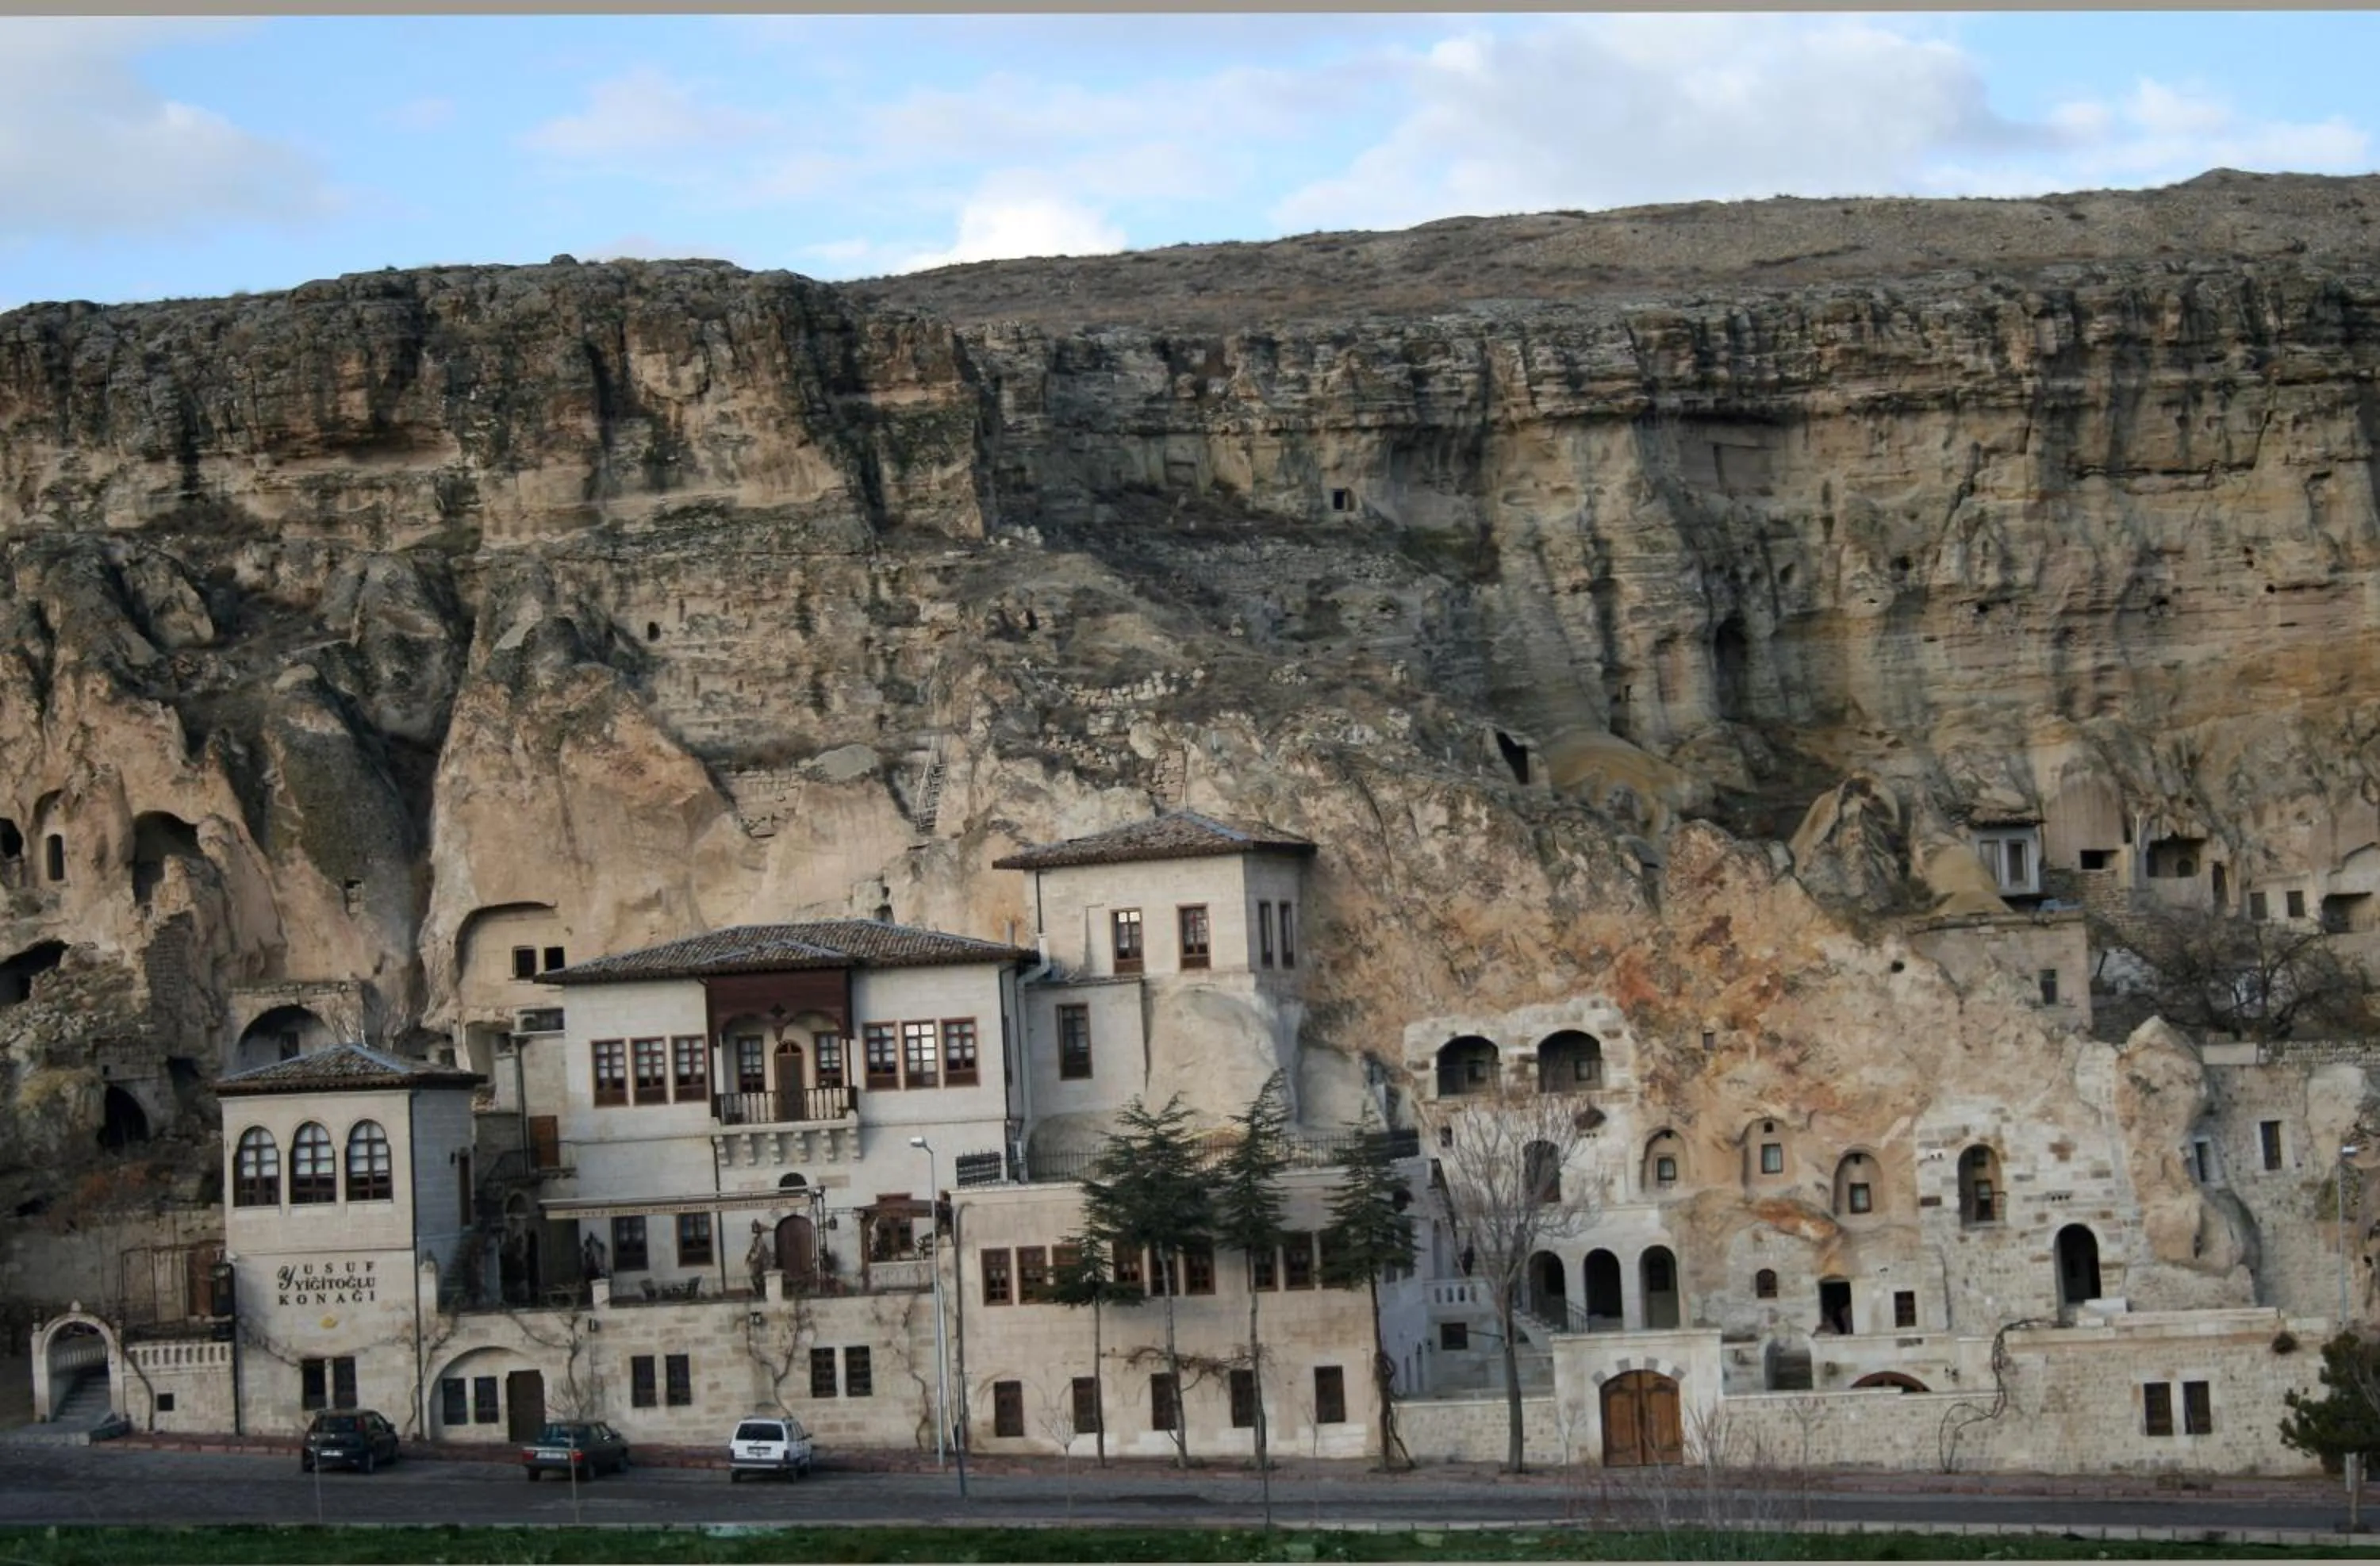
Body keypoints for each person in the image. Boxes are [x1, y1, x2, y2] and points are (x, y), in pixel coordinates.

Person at [746, 1222, 772, 1295]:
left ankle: (762, 1293)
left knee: (759, 1279)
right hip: (757, 1263)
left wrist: (753, 1258)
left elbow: (758, 1252)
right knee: (754, 1277)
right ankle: (760, 1292)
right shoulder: (756, 1240)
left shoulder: (760, 1241)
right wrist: (749, 1256)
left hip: (761, 1263)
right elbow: (753, 1250)